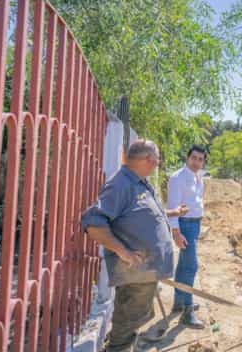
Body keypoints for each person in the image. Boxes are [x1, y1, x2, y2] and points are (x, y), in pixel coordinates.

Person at [81, 140, 174, 352]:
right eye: (157, 159)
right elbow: (93, 222)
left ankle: (120, 346)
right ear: (149, 161)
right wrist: (123, 252)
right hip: (135, 273)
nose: (157, 163)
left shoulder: (138, 182)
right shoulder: (121, 184)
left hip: (143, 274)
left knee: (131, 321)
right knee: (127, 322)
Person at [166, 145, 207, 328]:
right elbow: (173, 206)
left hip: (195, 223)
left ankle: (179, 302)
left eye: (200, 159)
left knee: (183, 265)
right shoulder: (178, 178)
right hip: (184, 225)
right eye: (194, 158)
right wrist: (176, 232)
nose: (197, 162)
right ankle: (187, 311)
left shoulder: (199, 177)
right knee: (191, 266)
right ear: (187, 157)